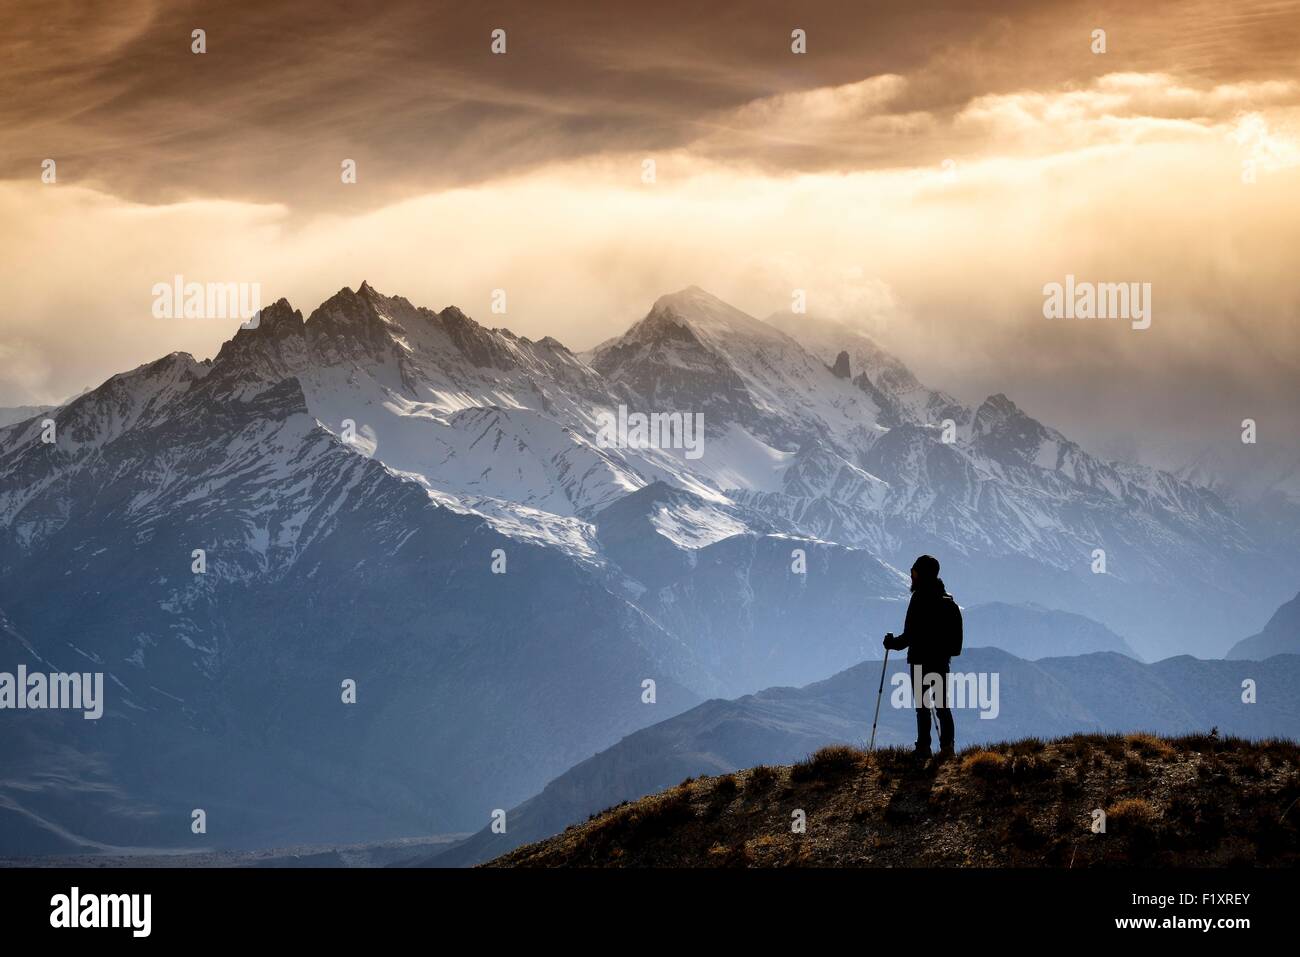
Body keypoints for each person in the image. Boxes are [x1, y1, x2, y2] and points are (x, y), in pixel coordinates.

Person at [883, 555, 959, 760]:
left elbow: (909, 635)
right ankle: (948, 748)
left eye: (914, 571)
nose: (911, 575)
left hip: (920, 661)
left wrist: (891, 644)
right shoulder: (946, 599)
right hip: (941, 661)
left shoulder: (918, 599)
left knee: (923, 706)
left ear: (921, 574)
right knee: (942, 705)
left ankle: (923, 747)